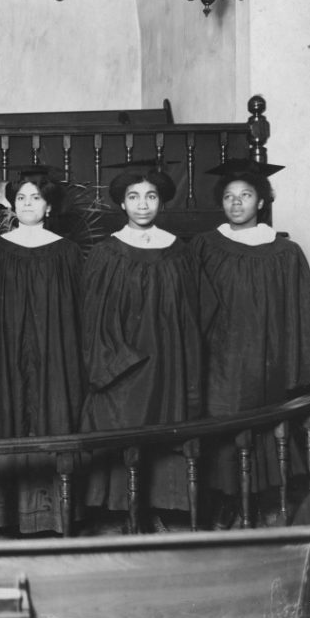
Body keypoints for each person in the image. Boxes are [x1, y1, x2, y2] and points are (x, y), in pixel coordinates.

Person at [191, 158, 310, 528]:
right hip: (219, 358)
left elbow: (299, 312)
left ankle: (256, 502)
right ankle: (226, 505)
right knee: (222, 428)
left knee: (265, 425)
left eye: (246, 195)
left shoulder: (285, 252)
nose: (236, 203)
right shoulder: (205, 247)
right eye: (229, 196)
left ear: (261, 201)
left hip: (267, 356)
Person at [79, 167, 203, 533]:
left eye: (150, 196)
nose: (142, 204)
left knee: (163, 427)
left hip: (168, 357)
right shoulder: (106, 252)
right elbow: (93, 313)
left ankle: (155, 506)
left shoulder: (179, 250)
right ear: (121, 202)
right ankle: (123, 509)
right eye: (134, 197)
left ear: (161, 201)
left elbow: (191, 312)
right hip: (124, 361)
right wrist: (116, 358)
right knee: (124, 425)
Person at [0, 167, 86, 535]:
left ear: (49, 206)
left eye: (36, 197)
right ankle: (6, 516)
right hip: (5, 356)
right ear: (12, 204)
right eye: (21, 198)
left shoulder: (67, 253)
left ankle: (54, 515)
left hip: (55, 354)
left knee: (53, 417)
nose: (28, 204)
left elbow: (79, 311)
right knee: (9, 417)